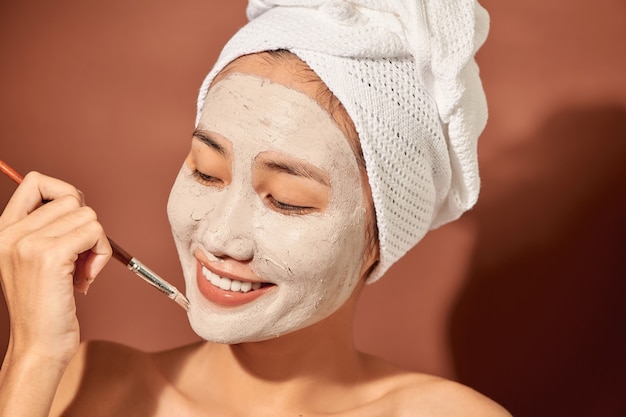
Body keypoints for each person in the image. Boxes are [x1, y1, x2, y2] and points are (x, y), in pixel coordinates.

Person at [0, 1, 511, 415]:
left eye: (287, 201)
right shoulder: (77, 388)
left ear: (380, 238)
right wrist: (33, 357)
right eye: (205, 171)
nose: (220, 237)